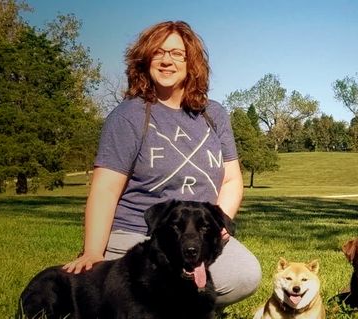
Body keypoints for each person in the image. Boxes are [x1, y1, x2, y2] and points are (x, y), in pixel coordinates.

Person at [62, 20, 261, 309]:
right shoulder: (128, 116)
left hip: (199, 233)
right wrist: (93, 252)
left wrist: (219, 226)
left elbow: (231, 180)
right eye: (158, 52)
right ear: (145, 60)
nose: (166, 60)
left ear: (191, 62)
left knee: (244, 274)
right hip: (136, 233)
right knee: (150, 284)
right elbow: (105, 188)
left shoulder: (214, 114)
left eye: (176, 53)